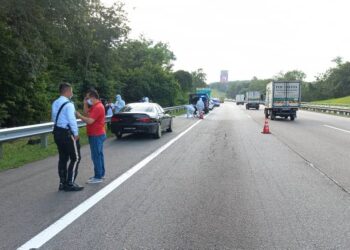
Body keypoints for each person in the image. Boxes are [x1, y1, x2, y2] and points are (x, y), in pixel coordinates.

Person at [51, 83, 83, 192]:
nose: (72, 93)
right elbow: (71, 120)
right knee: (76, 158)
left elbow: (54, 117)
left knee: (63, 158)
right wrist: (76, 132)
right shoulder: (69, 104)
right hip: (67, 133)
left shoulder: (55, 103)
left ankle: (62, 183)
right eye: (71, 91)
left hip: (57, 132)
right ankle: (70, 183)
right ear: (67, 91)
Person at [76, 89, 106, 184]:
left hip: (96, 134)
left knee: (96, 156)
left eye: (88, 98)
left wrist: (79, 116)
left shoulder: (98, 107)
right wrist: (85, 103)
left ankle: (98, 177)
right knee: (99, 155)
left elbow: (89, 121)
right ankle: (100, 174)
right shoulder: (95, 106)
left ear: (93, 97)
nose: (87, 99)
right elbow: (86, 114)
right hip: (96, 134)